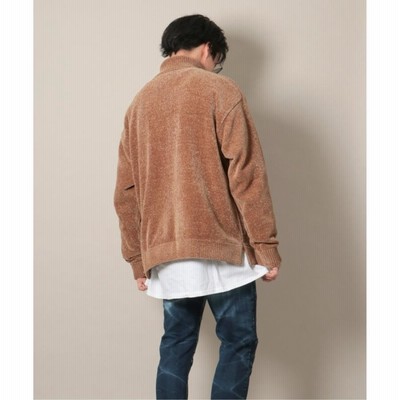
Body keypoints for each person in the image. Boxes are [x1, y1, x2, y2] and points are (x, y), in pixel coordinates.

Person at [114, 14, 281, 400]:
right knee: (238, 342)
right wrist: (265, 246)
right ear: (208, 49)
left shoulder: (138, 104)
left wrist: (137, 257)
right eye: (216, 61)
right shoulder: (220, 90)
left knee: (176, 344)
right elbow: (247, 176)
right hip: (222, 247)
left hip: (167, 251)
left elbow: (125, 191)